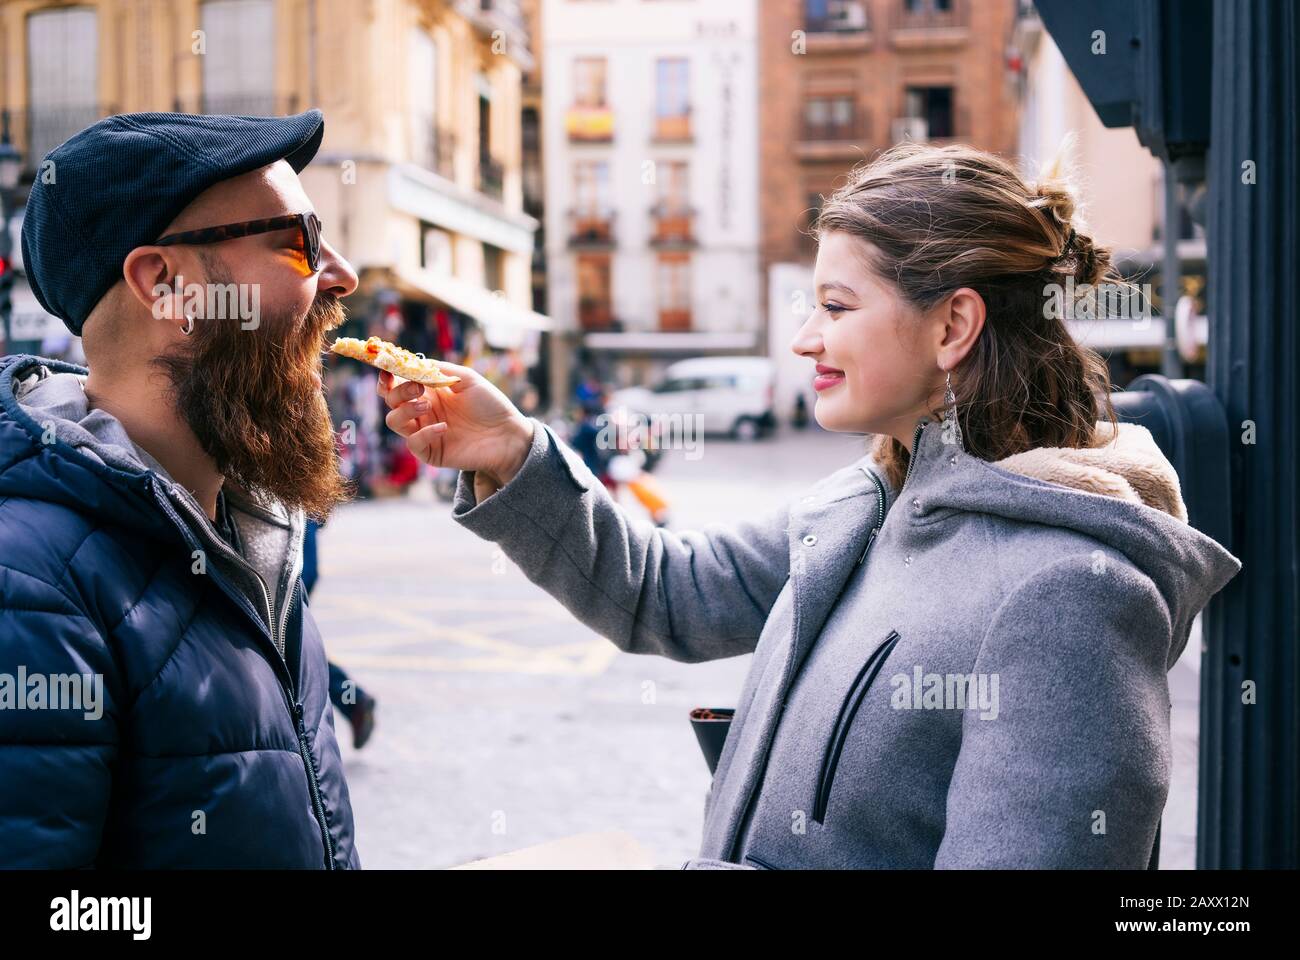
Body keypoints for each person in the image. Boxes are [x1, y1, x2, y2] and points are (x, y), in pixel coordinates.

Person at [376, 142, 1242, 869]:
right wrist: (514, 452)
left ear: (953, 327)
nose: (804, 339)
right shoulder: (869, 498)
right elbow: (666, 595)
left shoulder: (1070, 594)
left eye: (835, 307)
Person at [0, 110, 361, 868]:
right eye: (298, 240)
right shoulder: (25, 586)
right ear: (164, 284)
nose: (341, 274)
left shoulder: (253, 534)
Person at [301, 518, 378, 749]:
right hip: (295, 545)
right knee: (292, 647)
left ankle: (353, 701)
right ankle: (353, 701)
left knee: (291, 646)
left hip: (288, 550)